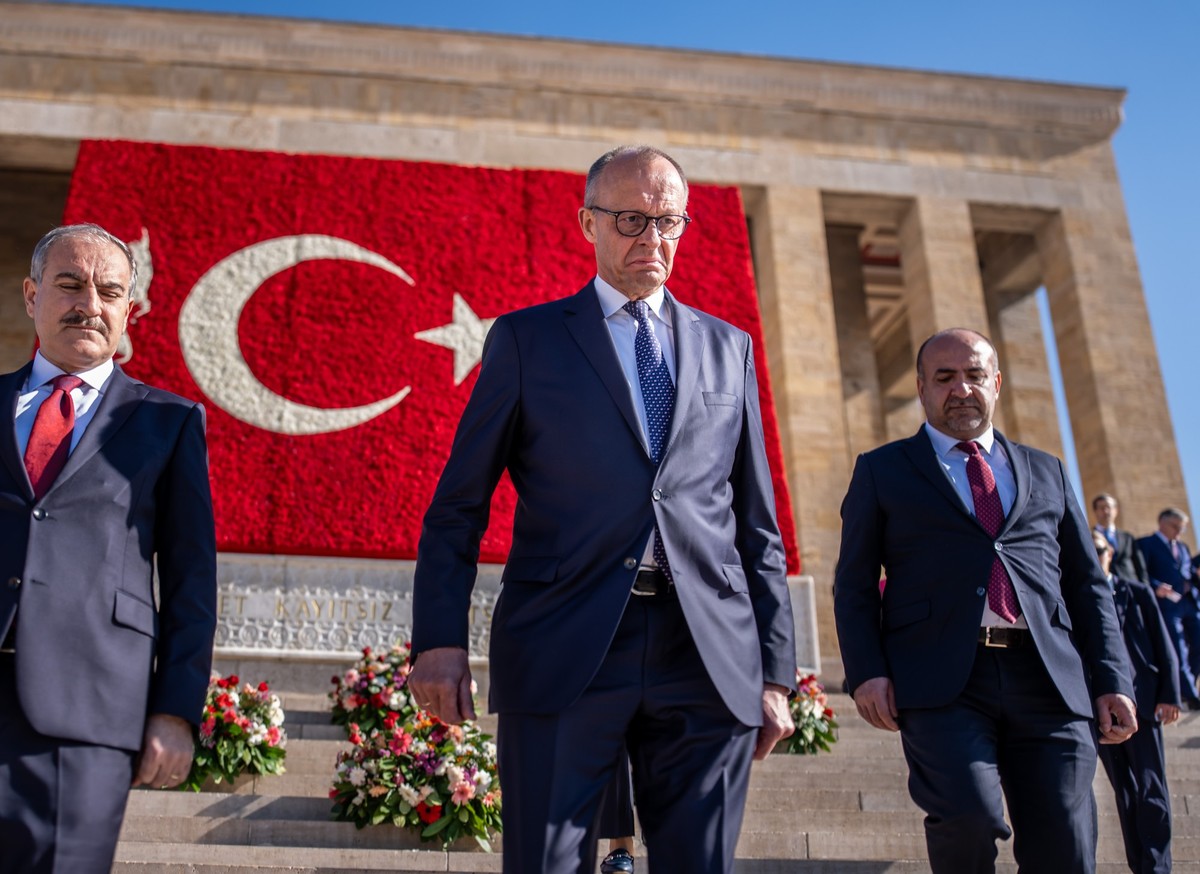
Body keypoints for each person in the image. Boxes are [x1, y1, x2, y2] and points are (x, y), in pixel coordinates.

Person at [408, 145, 796, 874]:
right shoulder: (528, 341)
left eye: (669, 221)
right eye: (630, 219)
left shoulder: (729, 348)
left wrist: (777, 673)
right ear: (587, 222)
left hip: (707, 653)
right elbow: (458, 505)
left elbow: (757, 527)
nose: (652, 238)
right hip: (565, 643)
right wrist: (437, 638)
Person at [833, 327, 1136, 874]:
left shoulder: (1047, 469)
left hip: (1048, 678)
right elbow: (854, 584)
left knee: (1065, 843)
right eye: (945, 378)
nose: (961, 389)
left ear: (996, 384)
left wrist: (1113, 678)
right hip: (945, 681)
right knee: (968, 818)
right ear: (922, 389)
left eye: (974, 376)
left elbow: (1087, 585)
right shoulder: (883, 470)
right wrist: (866, 673)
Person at [0, 224, 218, 874]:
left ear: (129, 310)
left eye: (109, 291)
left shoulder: (168, 422)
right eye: (69, 285)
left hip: (87, 710)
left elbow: (190, 583)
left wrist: (176, 713)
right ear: (32, 294)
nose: (88, 303)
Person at [1092, 530, 1180, 874]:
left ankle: (1159, 867)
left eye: (1099, 549)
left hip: (1142, 702)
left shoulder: (1138, 592)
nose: (1095, 555)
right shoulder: (1075, 595)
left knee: (1151, 786)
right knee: (1125, 792)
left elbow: (1163, 643)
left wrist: (1170, 695)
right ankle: (1140, 865)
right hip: (1101, 710)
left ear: (1111, 553)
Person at [1137, 508, 1199, 708]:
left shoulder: (1183, 547)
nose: (1179, 532)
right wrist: (1156, 587)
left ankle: (1186, 686)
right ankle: (1190, 694)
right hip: (1166, 606)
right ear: (1162, 522)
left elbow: (1187, 572)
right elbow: (1141, 573)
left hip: (1189, 604)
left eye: (1182, 528)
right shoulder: (1145, 544)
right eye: (1176, 527)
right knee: (1178, 650)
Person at [1092, 493, 1149, 584]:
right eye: (1102, 508)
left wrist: (1145, 587)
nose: (1106, 511)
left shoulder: (1127, 537)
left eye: (1108, 507)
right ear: (1095, 511)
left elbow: (1139, 566)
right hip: (1103, 585)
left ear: (1115, 510)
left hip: (1130, 586)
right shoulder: (1088, 537)